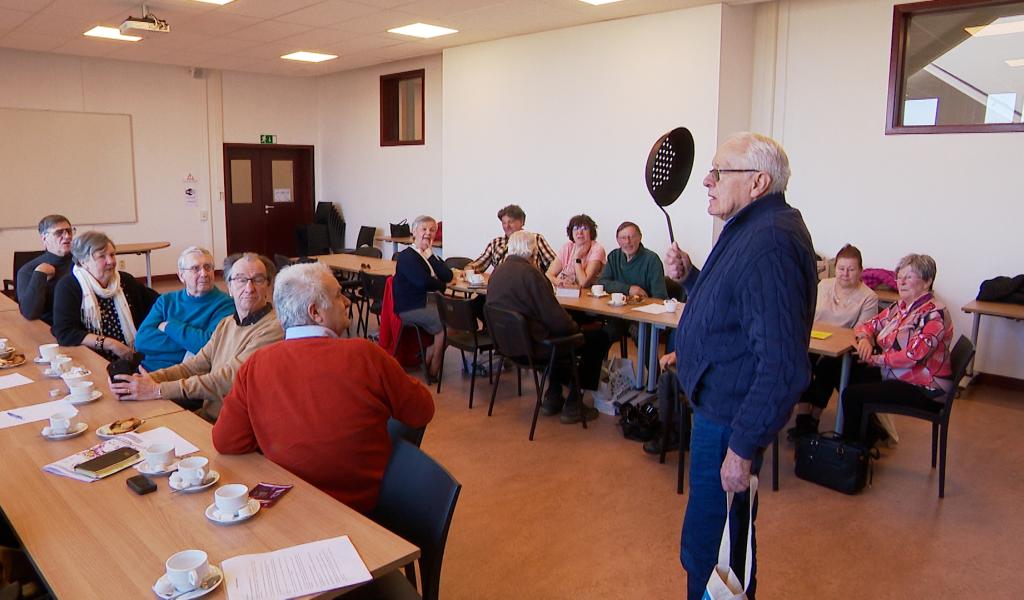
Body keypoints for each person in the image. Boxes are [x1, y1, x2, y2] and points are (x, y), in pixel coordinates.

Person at [664, 132, 817, 599]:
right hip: (718, 410)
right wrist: (691, 277)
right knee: (712, 542)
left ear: (757, 182)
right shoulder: (750, 227)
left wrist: (743, 446)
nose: (706, 181)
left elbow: (783, 365)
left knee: (715, 551)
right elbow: (730, 311)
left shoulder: (770, 243)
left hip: (730, 421)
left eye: (719, 172)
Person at [213, 262, 434, 514]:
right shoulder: (366, 355)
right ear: (315, 312)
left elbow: (226, 441)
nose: (347, 302)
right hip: (365, 512)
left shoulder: (255, 365)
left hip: (290, 510)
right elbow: (422, 411)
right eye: (339, 295)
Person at [109, 253, 283, 421]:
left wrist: (158, 390)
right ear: (229, 287)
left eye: (258, 280)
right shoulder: (227, 323)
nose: (249, 288)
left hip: (234, 424)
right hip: (208, 415)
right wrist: (146, 380)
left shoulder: (274, 328)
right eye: (241, 280)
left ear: (268, 287)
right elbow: (193, 366)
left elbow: (226, 379)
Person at [486, 231, 611, 423]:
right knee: (597, 338)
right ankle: (574, 403)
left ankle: (553, 395)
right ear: (532, 252)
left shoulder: (497, 273)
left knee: (561, 339)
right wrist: (577, 328)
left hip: (508, 345)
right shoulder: (532, 275)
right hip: (534, 347)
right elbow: (556, 319)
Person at [840, 254, 953, 446]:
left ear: (927, 281)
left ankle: (851, 455)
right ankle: (868, 434)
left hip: (924, 388)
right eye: (899, 276)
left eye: (909, 277)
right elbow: (867, 325)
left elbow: (913, 356)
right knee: (840, 369)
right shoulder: (901, 306)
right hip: (899, 375)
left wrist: (874, 359)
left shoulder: (934, 313)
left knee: (852, 394)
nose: (901, 282)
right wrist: (865, 340)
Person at [787, 244, 879, 439]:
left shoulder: (869, 297)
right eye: (841, 268)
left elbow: (863, 330)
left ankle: (813, 418)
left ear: (860, 271)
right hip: (814, 342)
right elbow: (808, 314)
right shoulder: (823, 285)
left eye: (851, 269)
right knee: (801, 362)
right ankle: (803, 417)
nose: (845, 274)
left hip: (842, 350)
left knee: (826, 369)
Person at [51, 231, 158, 361]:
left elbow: (158, 304)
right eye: (102, 256)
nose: (111, 261)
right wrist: (110, 344)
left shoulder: (124, 280)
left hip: (134, 354)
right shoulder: (69, 286)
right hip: (92, 358)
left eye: (112, 255)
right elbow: (65, 333)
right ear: (83, 262)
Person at [133, 247, 235, 371]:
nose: (204, 273)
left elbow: (210, 347)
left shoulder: (225, 304)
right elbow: (142, 341)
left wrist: (169, 326)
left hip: (184, 377)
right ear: (181, 276)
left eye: (208, 267)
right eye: (195, 268)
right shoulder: (165, 301)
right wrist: (190, 343)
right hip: (145, 369)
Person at [393, 215, 452, 380]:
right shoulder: (407, 256)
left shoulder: (428, 255)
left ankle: (427, 356)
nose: (428, 233)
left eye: (432, 230)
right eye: (424, 229)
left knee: (457, 319)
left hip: (428, 302)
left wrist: (430, 255)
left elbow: (447, 275)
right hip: (411, 306)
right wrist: (441, 286)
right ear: (414, 232)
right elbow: (423, 282)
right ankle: (434, 368)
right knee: (447, 324)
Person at [17, 214, 75, 324]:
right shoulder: (28, 271)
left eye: (69, 231)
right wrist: (39, 275)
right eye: (59, 233)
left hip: (83, 326)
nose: (67, 236)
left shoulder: (82, 262)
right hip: (49, 329)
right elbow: (30, 313)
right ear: (44, 238)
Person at [466, 204, 557, 273]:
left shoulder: (535, 239)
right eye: (504, 223)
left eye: (511, 222)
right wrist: (469, 269)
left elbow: (555, 265)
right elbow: (480, 263)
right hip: (500, 289)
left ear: (522, 222)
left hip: (527, 291)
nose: (507, 226)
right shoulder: (496, 243)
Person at [597, 222, 668, 299]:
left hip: (645, 307)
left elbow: (660, 296)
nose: (628, 241)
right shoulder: (614, 256)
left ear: (640, 237)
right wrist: (628, 289)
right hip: (617, 307)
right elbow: (602, 283)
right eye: (623, 238)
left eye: (632, 237)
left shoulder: (652, 259)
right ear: (618, 240)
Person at [545, 214, 607, 289]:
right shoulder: (567, 247)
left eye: (584, 228)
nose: (579, 232)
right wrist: (560, 282)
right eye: (576, 228)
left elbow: (583, 283)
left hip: (588, 295)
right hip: (567, 293)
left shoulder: (597, 249)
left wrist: (577, 258)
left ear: (591, 232)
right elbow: (549, 274)